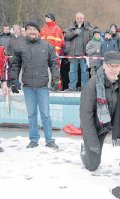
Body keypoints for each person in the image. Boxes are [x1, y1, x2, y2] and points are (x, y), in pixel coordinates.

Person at [79, 51, 120, 171]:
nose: (113, 69)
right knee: (92, 166)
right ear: (104, 65)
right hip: (97, 125)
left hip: (115, 119)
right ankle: (85, 149)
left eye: (116, 66)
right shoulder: (92, 85)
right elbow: (85, 116)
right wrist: (92, 141)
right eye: (110, 65)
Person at [8, 21, 59, 149]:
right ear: (26, 31)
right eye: (29, 29)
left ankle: (49, 140)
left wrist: (55, 78)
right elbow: (15, 65)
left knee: (45, 114)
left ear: (38, 31)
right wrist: (14, 80)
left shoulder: (47, 46)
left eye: (34, 29)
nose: (32, 32)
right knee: (31, 114)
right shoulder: (20, 46)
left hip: (42, 86)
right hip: (28, 86)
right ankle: (34, 139)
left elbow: (53, 63)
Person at [64, 12, 93, 91]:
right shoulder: (71, 28)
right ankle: (72, 87)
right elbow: (66, 37)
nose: (79, 20)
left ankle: (85, 88)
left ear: (83, 19)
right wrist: (74, 33)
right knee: (72, 71)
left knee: (84, 72)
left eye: (81, 18)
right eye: (78, 18)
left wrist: (88, 51)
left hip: (84, 54)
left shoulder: (89, 29)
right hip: (73, 54)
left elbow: (92, 40)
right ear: (75, 19)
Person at [40, 13, 63, 90]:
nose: (46, 19)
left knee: (55, 70)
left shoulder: (57, 28)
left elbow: (58, 41)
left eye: (48, 18)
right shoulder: (43, 29)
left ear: (52, 19)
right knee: (45, 71)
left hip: (53, 53)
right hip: (43, 53)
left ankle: (57, 86)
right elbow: (40, 41)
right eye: (45, 18)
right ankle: (46, 85)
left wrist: (57, 52)